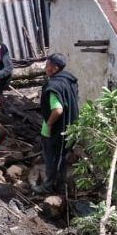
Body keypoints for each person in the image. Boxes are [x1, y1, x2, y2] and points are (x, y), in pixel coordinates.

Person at [36, 53, 80, 195]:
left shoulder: (53, 85)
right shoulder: (69, 79)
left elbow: (58, 109)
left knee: (51, 158)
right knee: (62, 157)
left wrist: (49, 124)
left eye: (47, 66)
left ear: (55, 69)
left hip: (55, 129)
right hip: (69, 127)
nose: (45, 68)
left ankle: (47, 187)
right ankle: (60, 187)